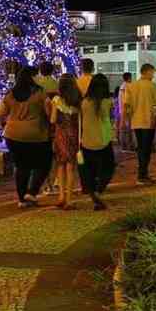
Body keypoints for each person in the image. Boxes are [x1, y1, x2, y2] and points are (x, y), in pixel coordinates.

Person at [0, 68, 52, 208]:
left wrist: (5, 123)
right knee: (44, 164)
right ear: (32, 77)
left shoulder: (10, 94)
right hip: (36, 135)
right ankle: (32, 192)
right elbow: (49, 113)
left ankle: (22, 199)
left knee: (21, 166)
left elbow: (0, 114)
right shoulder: (40, 93)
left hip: (12, 135)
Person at [80, 74, 116, 210]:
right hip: (104, 140)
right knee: (108, 167)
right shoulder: (107, 102)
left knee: (89, 170)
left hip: (87, 141)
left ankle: (93, 192)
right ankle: (98, 190)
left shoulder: (84, 102)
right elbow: (111, 118)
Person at [124, 64, 156, 185]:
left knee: (141, 148)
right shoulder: (153, 86)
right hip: (148, 122)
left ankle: (142, 173)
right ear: (147, 72)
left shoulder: (131, 86)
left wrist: (127, 119)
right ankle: (142, 175)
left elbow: (127, 105)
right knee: (146, 149)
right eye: (152, 72)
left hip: (136, 122)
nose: (153, 75)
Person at [50, 74, 81, 210]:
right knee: (70, 168)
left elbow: (53, 120)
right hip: (73, 135)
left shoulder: (57, 100)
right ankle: (69, 199)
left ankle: (61, 196)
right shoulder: (78, 101)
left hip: (60, 134)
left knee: (60, 166)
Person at [116, 72, 135, 151]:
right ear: (129, 78)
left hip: (122, 110)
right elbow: (126, 101)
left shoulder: (122, 86)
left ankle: (123, 146)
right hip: (127, 111)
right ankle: (128, 146)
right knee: (128, 130)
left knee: (123, 129)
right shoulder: (127, 86)